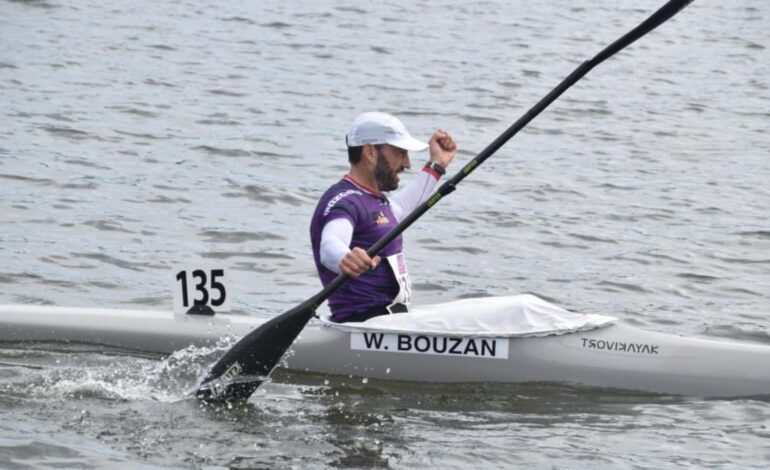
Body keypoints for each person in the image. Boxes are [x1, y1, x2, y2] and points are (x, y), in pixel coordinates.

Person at [310, 112, 457, 323]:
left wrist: (437, 164)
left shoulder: (375, 201)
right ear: (370, 152)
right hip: (364, 324)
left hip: (390, 319)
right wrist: (344, 257)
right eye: (400, 152)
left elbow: (406, 204)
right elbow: (330, 243)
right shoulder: (345, 201)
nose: (407, 163)